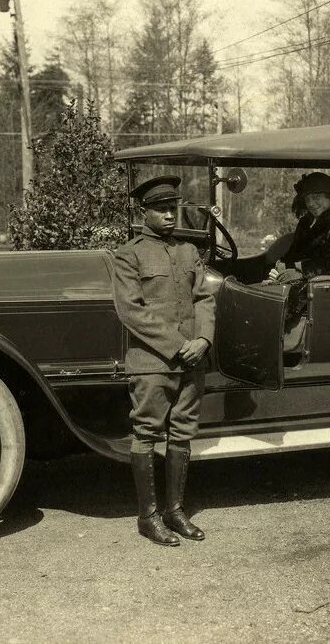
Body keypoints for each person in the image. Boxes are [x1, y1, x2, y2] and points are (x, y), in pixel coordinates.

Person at [111, 175, 216, 546]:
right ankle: (148, 517)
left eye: (173, 208)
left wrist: (203, 339)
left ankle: (174, 511)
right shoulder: (130, 254)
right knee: (146, 433)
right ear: (144, 212)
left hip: (192, 362)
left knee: (183, 432)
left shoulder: (189, 252)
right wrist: (178, 345)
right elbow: (131, 311)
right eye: (161, 209)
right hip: (152, 362)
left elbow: (204, 298)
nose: (170, 215)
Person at [268, 171, 330, 283]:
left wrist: (302, 271)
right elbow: (294, 253)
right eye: (307, 199)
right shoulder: (306, 221)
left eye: (316, 197)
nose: (311, 204)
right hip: (294, 282)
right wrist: (281, 267)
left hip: (322, 288)